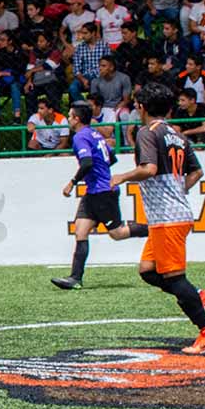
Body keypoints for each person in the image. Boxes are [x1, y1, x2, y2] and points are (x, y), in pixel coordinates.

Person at [110, 83, 205, 355]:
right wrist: (177, 189)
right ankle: (201, 297)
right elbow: (197, 172)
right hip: (172, 214)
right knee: (148, 271)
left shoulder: (147, 133)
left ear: (141, 107)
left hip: (167, 217)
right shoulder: (177, 135)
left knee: (173, 278)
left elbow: (148, 168)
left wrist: (123, 176)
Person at [51, 102, 150, 291]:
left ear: (77, 119)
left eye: (70, 116)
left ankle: (155, 231)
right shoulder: (96, 134)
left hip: (102, 192)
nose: (69, 119)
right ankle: (75, 278)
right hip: (94, 191)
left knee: (117, 233)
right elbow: (111, 158)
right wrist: (101, 173)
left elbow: (87, 162)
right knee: (80, 230)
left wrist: (72, 182)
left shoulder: (80, 137)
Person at [23, 31, 65, 116]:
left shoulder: (55, 51)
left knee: (53, 93)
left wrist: (32, 71)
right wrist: (29, 82)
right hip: (37, 81)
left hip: (53, 81)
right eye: (38, 41)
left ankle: (56, 118)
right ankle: (33, 120)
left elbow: (48, 66)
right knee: (30, 92)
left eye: (42, 41)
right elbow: (30, 67)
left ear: (48, 43)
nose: (39, 43)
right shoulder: (34, 52)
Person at [0, 29, 25, 122]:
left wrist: (2, 73)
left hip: (17, 81)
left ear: (10, 41)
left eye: (3, 40)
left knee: (14, 86)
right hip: (3, 81)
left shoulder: (19, 52)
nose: (0, 42)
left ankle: (17, 116)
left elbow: (20, 71)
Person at [70, 22, 106, 103]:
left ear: (93, 33)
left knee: (95, 85)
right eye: (82, 33)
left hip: (100, 75)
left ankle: (95, 106)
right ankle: (85, 106)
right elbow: (76, 68)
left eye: (85, 33)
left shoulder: (104, 45)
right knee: (73, 88)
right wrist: (83, 80)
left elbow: (108, 64)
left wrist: (100, 76)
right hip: (84, 76)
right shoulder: (79, 48)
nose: (83, 35)